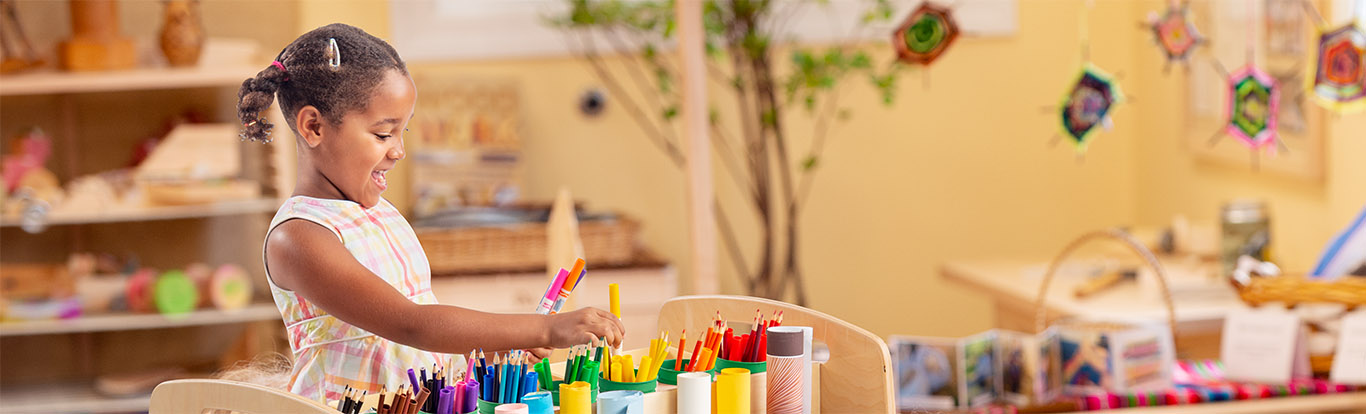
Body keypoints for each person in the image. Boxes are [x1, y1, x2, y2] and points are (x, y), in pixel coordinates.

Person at [235, 23, 624, 403]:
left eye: (402, 132)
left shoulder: (382, 215)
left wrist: (495, 350)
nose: (398, 151)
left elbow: (415, 342)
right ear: (313, 126)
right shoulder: (298, 237)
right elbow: (411, 324)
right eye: (383, 134)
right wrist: (544, 328)